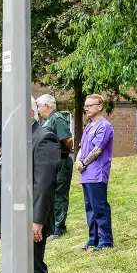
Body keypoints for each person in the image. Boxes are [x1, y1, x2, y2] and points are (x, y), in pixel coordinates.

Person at [0, 99, 61, 273]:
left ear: (29, 113)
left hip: (30, 219)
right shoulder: (12, 140)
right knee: (17, 271)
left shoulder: (43, 137)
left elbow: (44, 183)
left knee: (32, 269)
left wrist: (37, 220)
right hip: (10, 218)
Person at [77, 94, 114, 251]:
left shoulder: (104, 126)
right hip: (85, 174)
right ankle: (93, 239)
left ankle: (105, 241)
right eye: (85, 106)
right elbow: (81, 148)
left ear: (100, 106)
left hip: (97, 173)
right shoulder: (89, 127)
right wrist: (78, 160)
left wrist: (84, 163)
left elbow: (98, 149)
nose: (87, 108)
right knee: (89, 209)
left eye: (90, 105)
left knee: (99, 208)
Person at [36, 94, 74, 239]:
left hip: (61, 161)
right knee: (51, 194)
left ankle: (59, 228)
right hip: (52, 161)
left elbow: (67, 139)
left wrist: (63, 150)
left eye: (39, 106)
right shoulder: (48, 120)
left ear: (46, 106)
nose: (38, 109)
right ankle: (52, 227)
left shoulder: (57, 118)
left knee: (59, 195)